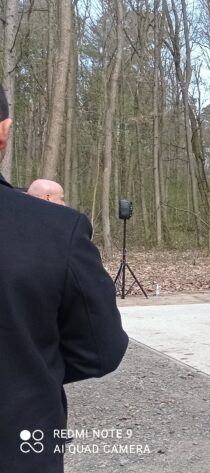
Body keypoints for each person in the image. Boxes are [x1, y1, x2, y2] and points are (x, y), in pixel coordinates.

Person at [0, 84, 129, 472]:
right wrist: (32, 367)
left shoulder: (59, 230)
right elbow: (100, 349)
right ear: (4, 130)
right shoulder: (56, 232)